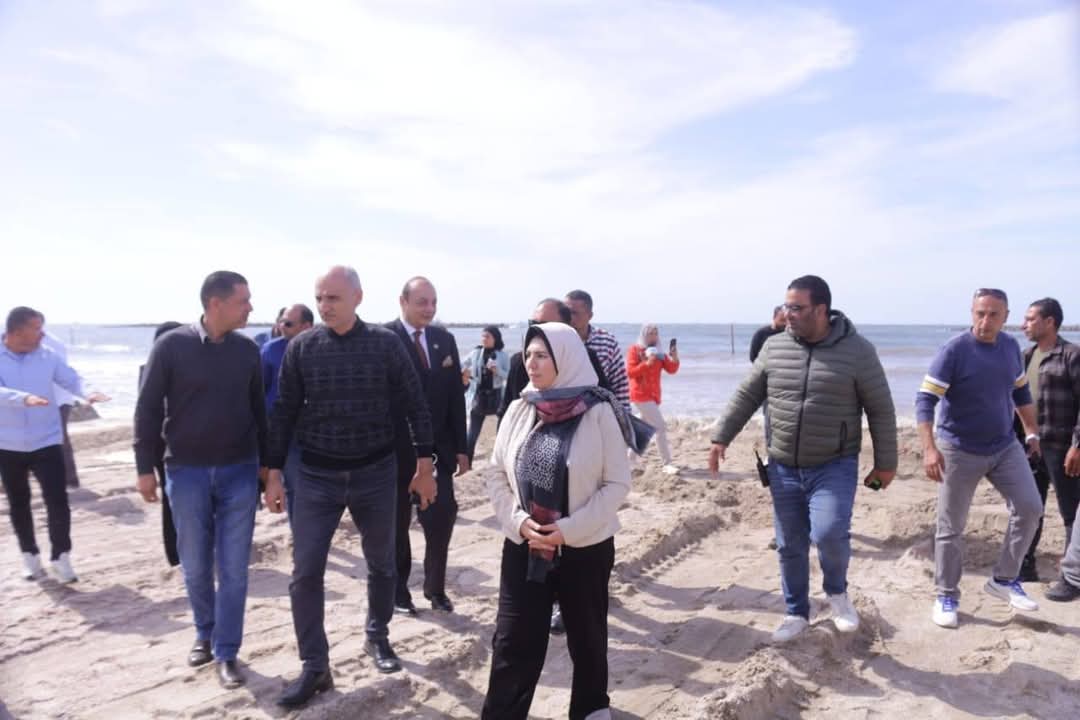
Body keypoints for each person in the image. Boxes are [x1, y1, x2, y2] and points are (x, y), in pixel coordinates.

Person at [271, 266, 436, 709]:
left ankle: (377, 635)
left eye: (333, 298)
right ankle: (315, 665)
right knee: (305, 572)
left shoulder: (385, 344)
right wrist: (272, 472)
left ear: (357, 298)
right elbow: (283, 411)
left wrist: (425, 465)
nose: (324, 306)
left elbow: (415, 404)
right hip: (315, 476)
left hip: (375, 473)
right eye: (319, 298)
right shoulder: (302, 347)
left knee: (382, 564)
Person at [709, 275, 897, 643]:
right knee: (789, 543)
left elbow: (880, 409)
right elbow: (747, 394)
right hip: (782, 466)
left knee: (828, 533)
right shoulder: (775, 346)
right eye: (786, 306)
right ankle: (796, 612)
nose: (788, 314)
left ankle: (837, 594)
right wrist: (721, 437)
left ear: (821, 310)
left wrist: (885, 463)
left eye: (796, 307)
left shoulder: (858, 351)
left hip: (834, 463)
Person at [482, 322, 634, 720]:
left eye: (542, 355)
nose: (531, 363)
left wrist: (567, 530)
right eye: (528, 355)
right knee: (513, 642)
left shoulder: (599, 413)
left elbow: (617, 484)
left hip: (584, 547)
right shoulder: (520, 408)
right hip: (526, 544)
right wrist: (518, 522)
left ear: (565, 358)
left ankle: (590, 710)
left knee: (587, 639)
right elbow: (495, 473)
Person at [134, 271, 276, 690]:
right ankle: (204, 633)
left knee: (234, 568)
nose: (250, 308)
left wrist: (269, 466)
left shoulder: (247, 351)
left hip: (239, 472)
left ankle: (227, 651)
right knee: (195, 563)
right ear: (216, 303)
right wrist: (144, 467)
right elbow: (146, 410)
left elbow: (259, 411)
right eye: (243, 301)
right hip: (186, 472)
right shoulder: (170, 346)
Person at [917, 288, 1044, 629]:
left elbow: (1020, 390)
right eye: (980, 313)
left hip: (1004, 446)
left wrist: (1031, 431)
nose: (985, 321)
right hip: (958, 450)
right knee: (951, 527)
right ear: (972, 312)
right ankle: (946, 594)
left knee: (1030, 508)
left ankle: (1004, 579)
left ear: (1006, 318)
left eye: (993, 315)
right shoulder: (954, 350)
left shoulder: (1010, 347)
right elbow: (925, 399)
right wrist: (930, 448)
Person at [1, 307, 109, 583]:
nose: (42, 334)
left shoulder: (47, 356)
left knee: (58, 500)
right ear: (17, 331)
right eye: (36, 328)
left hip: (46, 441)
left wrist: (89, 392)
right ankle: (30, 557)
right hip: (8, 444)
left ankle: (61, 557)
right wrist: (22, 398)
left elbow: (71, 378)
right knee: (19, 502)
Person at [386, 277, 469, 616]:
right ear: (403, 301)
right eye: (422, 302)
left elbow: (455, 398)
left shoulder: (444, 340)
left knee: (441, 518)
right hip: (396, 450)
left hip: (438, 451)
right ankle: (398, 591)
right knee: (397, 524)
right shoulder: (384, 338)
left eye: (433, 302)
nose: (429, 309)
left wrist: (462, 447)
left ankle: (435, 589)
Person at [1017, 298, 1080, 595]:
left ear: (1050, 322)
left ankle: (1071, 578)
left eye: (1031, 319)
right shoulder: (1026, 356)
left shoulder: (1071, 356)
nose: (1023, 325)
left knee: (1071, 513)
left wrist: (1077, 446)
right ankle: (1025, 566)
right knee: (1031, 507)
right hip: (1030, 447)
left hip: (1062, 447)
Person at [498, 299, 613, 422]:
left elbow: (606, 400)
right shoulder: (520, 362)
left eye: (546, 325)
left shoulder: (585, 358)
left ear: (566, 329)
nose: (538, 329)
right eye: (533, 323)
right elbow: (506, 412)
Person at [260, 303, 315, 521]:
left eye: (288, 323)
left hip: (315, 431)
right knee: (294, 486)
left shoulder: (321, 347)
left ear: (306, 326)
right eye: (281, 322)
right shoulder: (270, 350)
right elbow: (260, 391)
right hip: (284, 432)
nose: (281, 326)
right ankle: (300, 532)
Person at [138, 321, 184, 567]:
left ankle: (180, 556)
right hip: (161, 444)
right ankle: (176, 557)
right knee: (172, 499)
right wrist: (143, 467)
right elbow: (144, 415)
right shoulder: (149, 370)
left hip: (182, 443)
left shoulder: (190, 366)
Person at [626, 323, 680, 475]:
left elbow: (672, 369)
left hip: (653, 396)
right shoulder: (635, 350)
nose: (653, 336)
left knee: (643, 428)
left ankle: (629, 459)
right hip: (640, 394)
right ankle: (667, 464)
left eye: (655, 333)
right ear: (644, 335)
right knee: (660, 427)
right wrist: (647, 363)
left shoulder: (659, 352)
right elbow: (630, 372)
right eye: (650, 333)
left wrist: (674, 357)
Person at [565, 290, 630, 412]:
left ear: (590, 315)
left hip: (598, 411)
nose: (570, 318)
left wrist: (624, 416)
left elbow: (619, 383)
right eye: (566, 313)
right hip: (562, 411)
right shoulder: (558, 340)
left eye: (575, 313)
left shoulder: (606, 341)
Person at [462, 325, 511, 462]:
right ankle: (467, 463)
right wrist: (465, 372)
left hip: (497, 396)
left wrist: (497, 371)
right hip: (479, 396)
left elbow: (509, 376)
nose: (484, 339)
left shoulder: (503, 355)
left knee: (501, 432)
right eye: (482, 336)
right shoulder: (476, 352)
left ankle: (500, 461)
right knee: (472, 433)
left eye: (487, 336)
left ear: (495, 338)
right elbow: (462, 364)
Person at [41, 331, 80, 488]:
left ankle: (69, 479)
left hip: (54, 398)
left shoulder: (47, 344)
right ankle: (69, 478)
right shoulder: (56, 342)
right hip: (60, 397)